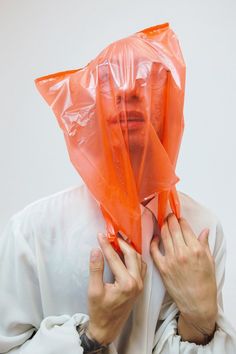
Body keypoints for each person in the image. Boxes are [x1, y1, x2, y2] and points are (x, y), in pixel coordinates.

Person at [0, 23, 236, 354]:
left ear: (171, 104)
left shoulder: (201, 234)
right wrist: (91, 335)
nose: (128, 92)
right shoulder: (33, 231)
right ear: (92, 108)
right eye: (111, 84)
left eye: (147, 82)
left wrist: (201, 320)